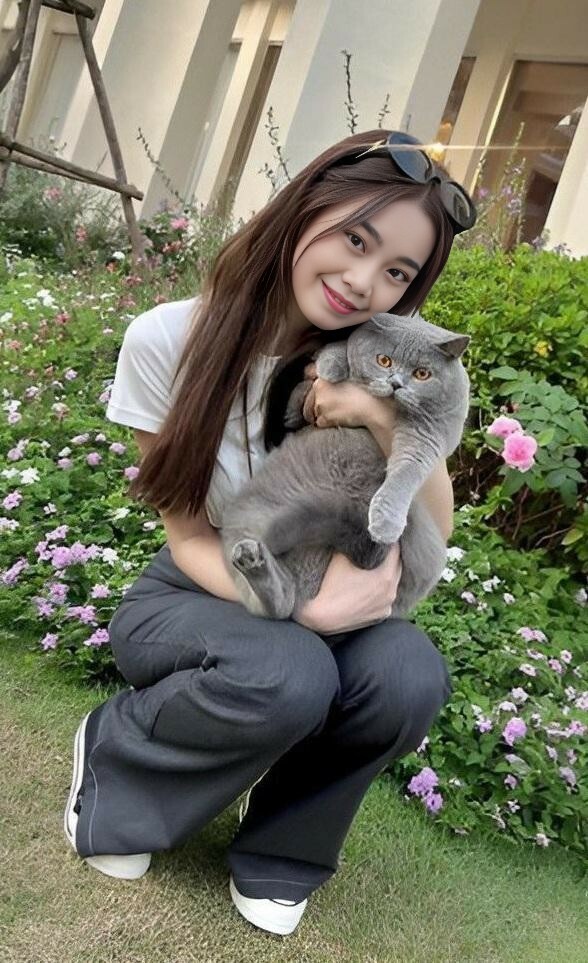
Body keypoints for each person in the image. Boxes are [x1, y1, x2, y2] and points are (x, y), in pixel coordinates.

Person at [63, 129, 477, 937]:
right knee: (288, 670)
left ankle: (283, 851)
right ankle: (119, 761)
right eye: (356, 240)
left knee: (408, 674)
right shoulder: (168, 339)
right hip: (200, 586)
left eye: (398, 272)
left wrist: (380, 417)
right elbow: (188, 535)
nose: (364, 281)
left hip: (324, 583)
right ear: (304, 210)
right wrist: (296, 611)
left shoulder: (378, 365)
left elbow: (437, 524)